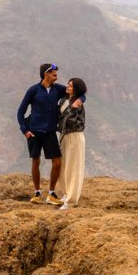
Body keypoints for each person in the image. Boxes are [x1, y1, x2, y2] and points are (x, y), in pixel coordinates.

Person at [16, 63, 82, 204]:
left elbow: (78, 93)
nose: (56, 75)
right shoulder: (33, 90)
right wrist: (25, 130)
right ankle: (37, 193)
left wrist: (80, 100)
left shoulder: (57, 89)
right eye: (53, 73)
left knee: (57, 162)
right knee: (36, 161)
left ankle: (51, 194)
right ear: (45, 74)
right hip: (34, 132)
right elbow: (20, 112)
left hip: (50, 132)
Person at [54, 77, 87, 210]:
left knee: (74, 168)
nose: (67, 86)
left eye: (71, 85)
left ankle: (72, 200)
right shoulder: (63, 100)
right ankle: (67, 193)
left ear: (76, 89)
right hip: (64, 136)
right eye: (68, 84)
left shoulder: (78, 104)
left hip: (75, 136)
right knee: (64, 167)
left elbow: (73, 122)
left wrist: (74, 107)